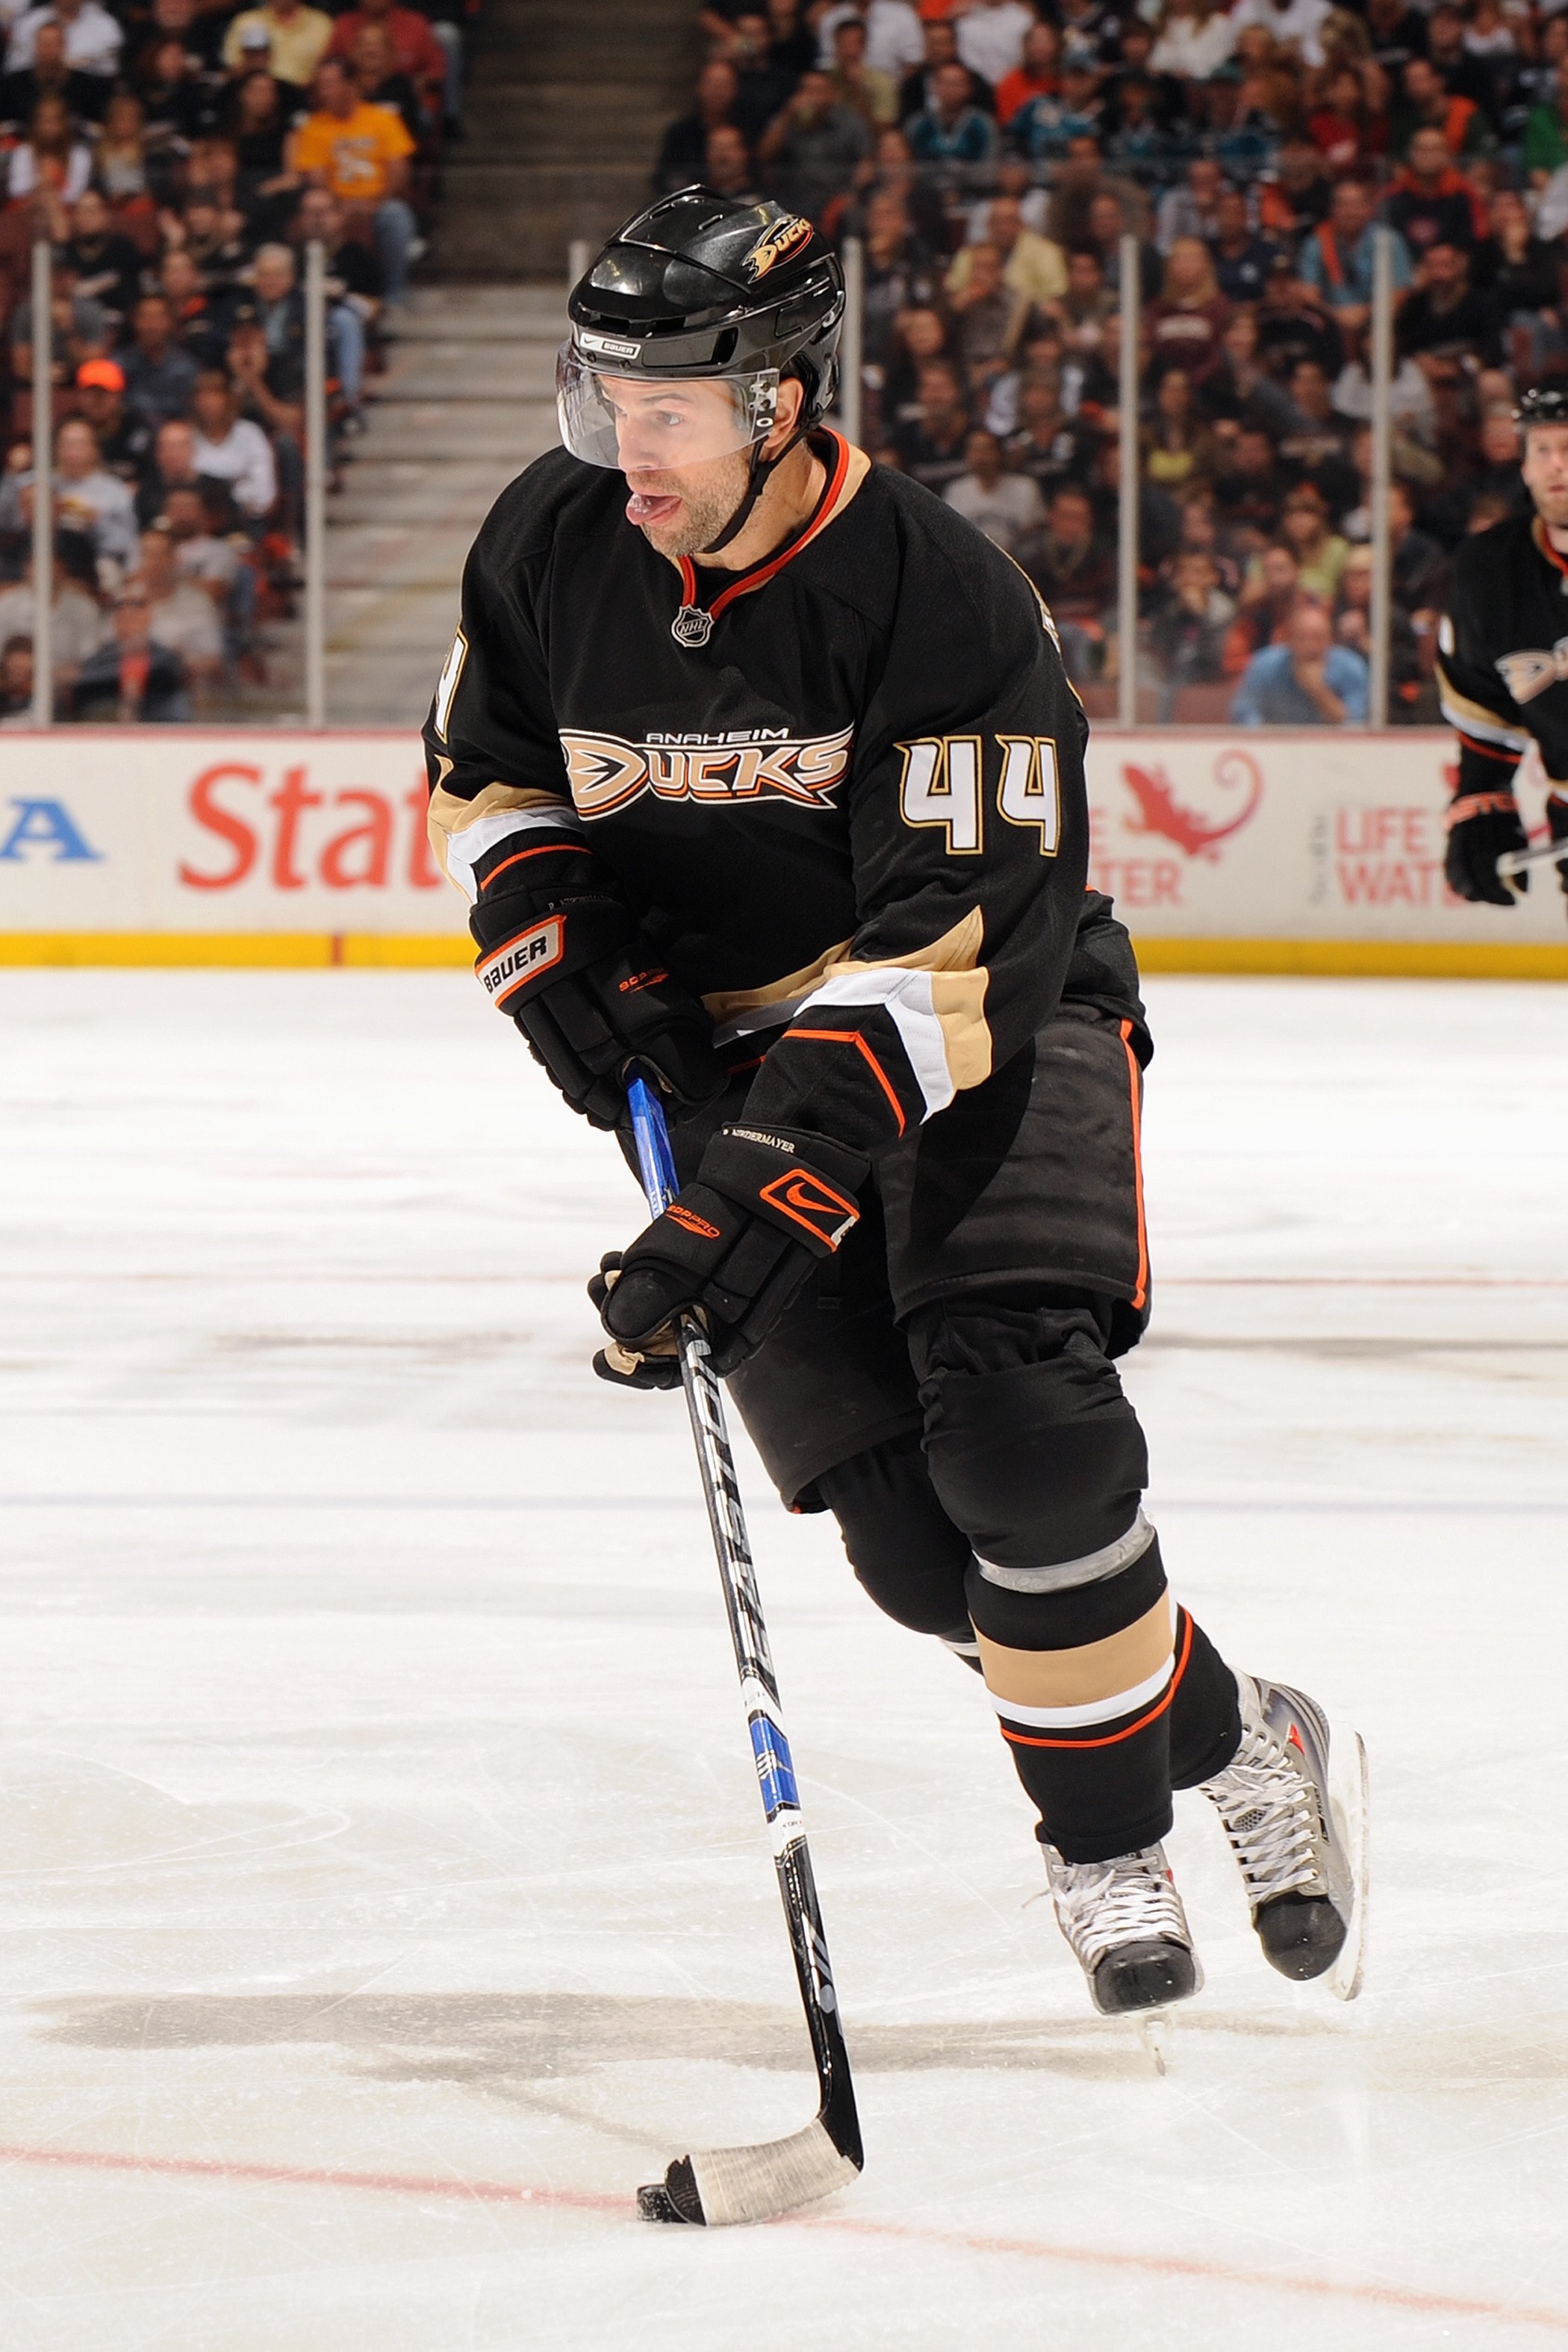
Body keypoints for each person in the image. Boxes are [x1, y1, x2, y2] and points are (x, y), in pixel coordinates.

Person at [423, 186, 1368, 2020]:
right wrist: (563, 951)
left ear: (778, 399)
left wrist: (743, 1199)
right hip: (732, 1065)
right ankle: (1251, 1729)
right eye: (605, 397)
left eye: (668, 408)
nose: (627, 446)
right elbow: (494, 775)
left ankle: (1099, 1838)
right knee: (917, 1547)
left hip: (985, 1029)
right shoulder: (552, 538)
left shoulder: (937, 593)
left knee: (1023, 1435)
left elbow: (949, 952)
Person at [1437, 383, 1568, 910]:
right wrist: (1483, 797)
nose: (1559, 465)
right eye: (1543, 450)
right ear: (1524, 466)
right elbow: (1483, 701)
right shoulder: (1491, 572)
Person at [289, 55, 418, 305]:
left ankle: (393, 297)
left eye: (330, 84)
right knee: (314, 216)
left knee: (397, 216)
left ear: (350, 86)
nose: (323, 92)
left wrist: (375, 203)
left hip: (379, 203)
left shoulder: (383, 119)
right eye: (321, 85)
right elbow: (317, 178)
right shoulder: (313, 127)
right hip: (334, 206)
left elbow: (399, 169)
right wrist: (340, 206)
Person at [1231, 596, 1369, 722]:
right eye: (1302, 638)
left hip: (1333, 746)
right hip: (1278, 744)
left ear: (1331, 639)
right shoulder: (1266, 665)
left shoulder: (1351, 667)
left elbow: (1355, 724)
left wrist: (1318, 690)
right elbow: (1244, 712)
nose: (1310, 647)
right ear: (1289, 639)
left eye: (1318, 638)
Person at [942, 424, 1044, 549]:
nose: (981, 457)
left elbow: (1035, 536)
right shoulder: (956, 490)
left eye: (986, 449)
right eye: (975, 450)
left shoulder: (1025, 487)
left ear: (999, 453)